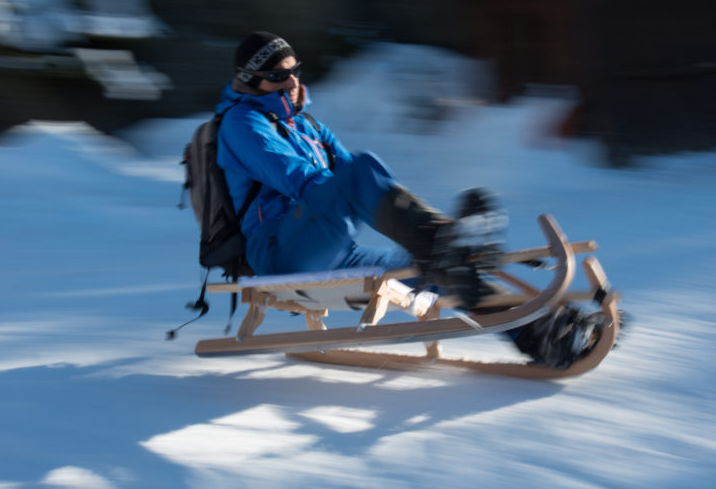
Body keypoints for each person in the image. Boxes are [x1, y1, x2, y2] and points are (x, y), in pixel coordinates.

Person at [213, 31, 603, 368]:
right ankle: (445, 241)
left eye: (295, 70)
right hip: (279, 250)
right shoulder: (242, 124)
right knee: (374, 181)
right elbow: (302, 179)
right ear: (251, 80)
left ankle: (541, 335)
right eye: (278, 76)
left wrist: (424, 235)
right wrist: (358, 194)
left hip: (334, 249)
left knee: (437, 266)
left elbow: (356, 182)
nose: (292, 82)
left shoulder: (309, 125)